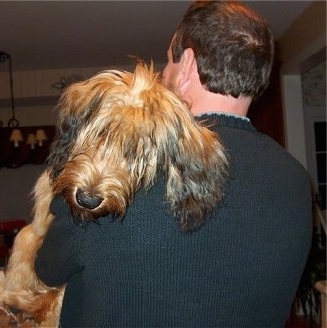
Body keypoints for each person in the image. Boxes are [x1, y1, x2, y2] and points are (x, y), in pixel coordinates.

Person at [35, 1, 312, 327]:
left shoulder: (124, 163)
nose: (164, 73)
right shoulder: (295, 178)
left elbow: (48, 269)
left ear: (189, 66)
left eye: (168, 61)